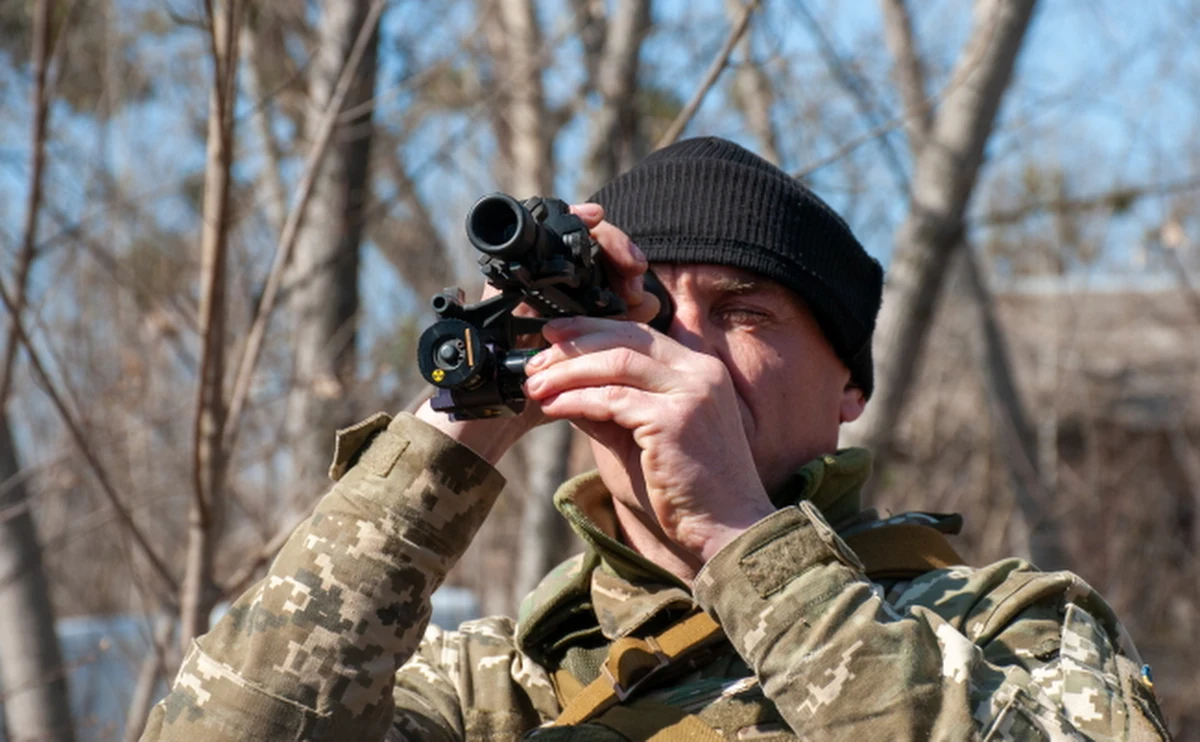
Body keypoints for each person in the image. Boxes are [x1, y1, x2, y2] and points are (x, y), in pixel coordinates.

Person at [141, 138, 1170, 741]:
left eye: (744, 312)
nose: (686, 354)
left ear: (850, 383)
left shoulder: (1009, 629)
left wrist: (736, 534)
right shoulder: (488, 689)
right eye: (649, 311)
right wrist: (457, 423)